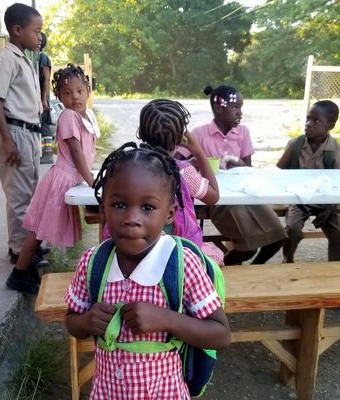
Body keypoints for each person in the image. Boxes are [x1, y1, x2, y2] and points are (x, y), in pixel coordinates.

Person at [65, 143, 230, 399]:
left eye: (148, 207)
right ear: (102, 210)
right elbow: (72, 321)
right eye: (119, 205)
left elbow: (221, 334)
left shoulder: (182, 264)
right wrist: (86, 321)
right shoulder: (93, 263)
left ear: (170, 214)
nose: (132, 218)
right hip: (107, 392)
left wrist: (167, 319)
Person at [6, 64, 99, 295]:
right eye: (67, 93)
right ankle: (19, 275)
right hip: (61, 181)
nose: (74, 97)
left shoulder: (86, 116)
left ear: (88, 91)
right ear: (59, 97)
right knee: (38, 233)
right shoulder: (68, 116)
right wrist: (92, 181)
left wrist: (89, 176)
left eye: (79, 91)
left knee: (39, 233)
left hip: (69, 180)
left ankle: (23, 271)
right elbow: (77, 153)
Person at [177, 85, 287, 265]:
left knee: (279, 237)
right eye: (236, 107)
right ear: (219, 108)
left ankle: (254, 269)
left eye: (241, 108)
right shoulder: (199, 133)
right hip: (220, 200)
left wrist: (241, 165)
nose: (240, 113)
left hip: (245, 195)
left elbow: (248, 169)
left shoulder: (243, 132)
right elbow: (174, 162)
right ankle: (214, 273)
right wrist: (192, 163)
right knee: (247, 247)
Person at [276, 100, 340, 319]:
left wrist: (329, 210)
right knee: (291, 228)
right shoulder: (295, 145)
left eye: (316, 120)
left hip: (329, 202)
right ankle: (288, 265)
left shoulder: (336, 150)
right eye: (308, 118)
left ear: (330, 125)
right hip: (300, 200)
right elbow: (279, 172)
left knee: (339, 236)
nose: (309, 124)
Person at [0, 3, 50, 267]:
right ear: (17, 30)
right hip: (14, 132)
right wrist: (7, 138)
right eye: (36, 31)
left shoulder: (25, 58)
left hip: (28, 133)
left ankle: (28, 245)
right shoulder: (7, 59)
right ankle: (18, 250)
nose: (40, 37)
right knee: (18, 197)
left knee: (28, 193)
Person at [135, 99, 224, 264]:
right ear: (180, 138)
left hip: (139, 247)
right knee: (216, 254)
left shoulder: (130, 166)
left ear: (141, 133)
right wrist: (198, 151)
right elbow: (214, 196)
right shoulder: (183, 172)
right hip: (179, 254)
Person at [38, 33, 54, 164]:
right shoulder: (32, 57)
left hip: (42, 96)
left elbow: (47, 78)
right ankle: (42, 151)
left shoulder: (43, 57)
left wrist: (43, 99)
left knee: (44, 124)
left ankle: (48, 153)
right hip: (35, 96)